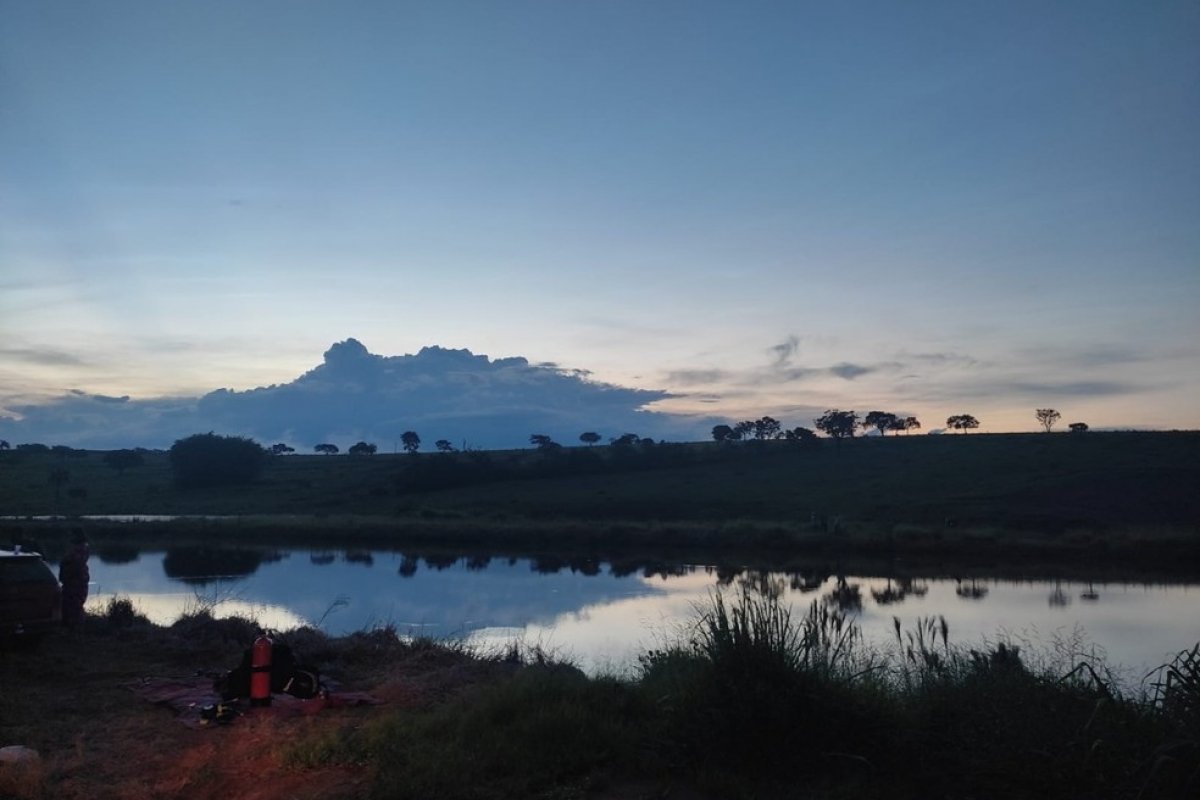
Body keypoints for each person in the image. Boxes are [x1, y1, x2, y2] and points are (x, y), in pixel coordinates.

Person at [58, 529, 90, 626]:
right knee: (72, 606)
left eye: (72, 535)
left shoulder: (78, 551)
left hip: (75, 583)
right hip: (73, 583)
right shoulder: (81, 550)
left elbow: (75, 567)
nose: (70, 538)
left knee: (74, 606)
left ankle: (75, 627)